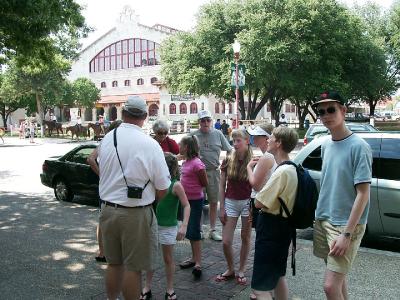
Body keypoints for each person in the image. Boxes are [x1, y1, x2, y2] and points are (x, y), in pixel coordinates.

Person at [97, 95, 171, 300]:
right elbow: (163, 187)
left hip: (107, 210)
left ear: (123, 113)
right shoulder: (150, 144)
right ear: (145, 116)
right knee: (133, 267)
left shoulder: (107, 139)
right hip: (135, 213)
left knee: (114, 263)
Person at [312, 91, 372, 300]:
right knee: (339, 281)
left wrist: (347, 234)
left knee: (330, 287)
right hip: (324, 219)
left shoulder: (359, 147)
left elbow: (363, 194)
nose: (326, 115)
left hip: (345, 226)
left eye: (331, 109)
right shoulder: (325, 144)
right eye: (321, 111)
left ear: (343, 111)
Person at [251, 126, 299, 300]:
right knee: (278, 276)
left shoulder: (282, 172)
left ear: (279, 143)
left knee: (260, 288)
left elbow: (258, 202)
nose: (268, 139)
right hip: (284, 228)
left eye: (271, 137)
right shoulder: (292, 167)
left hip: (271, 229)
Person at [140, 153, 191, 300]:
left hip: (168, 227)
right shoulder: (152, 183)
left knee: (168, 259)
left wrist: (184, 226)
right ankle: (147, 287)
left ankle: (169, 289)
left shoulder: (175, 185)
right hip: (152, 225)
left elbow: (187, 205)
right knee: (150, 257)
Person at [216, 129, 252, 285]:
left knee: (245, 237)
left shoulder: (254, 160)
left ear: (247, 140)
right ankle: (231, 269)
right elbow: (221, 183)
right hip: (230, 201)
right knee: (226, 241)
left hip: (248, 202)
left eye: (239, 140)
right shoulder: (228, 158)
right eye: (233, 141)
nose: (235, 144)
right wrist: (221, 206)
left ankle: (242, 269)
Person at [191, 110, 232, 241]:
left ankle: (213, 230)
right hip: (197, 174)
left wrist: (226, 163)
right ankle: (199, 229)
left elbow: (229, 149)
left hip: (214, 172)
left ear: (211, 121)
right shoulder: (193, 136)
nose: (206, 123)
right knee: (198, 202)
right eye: (203, 120)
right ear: (199, 122)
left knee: (214, 202)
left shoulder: (218, 134)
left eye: (208, 120)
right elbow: (184, 152)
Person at [87, 120, 122, 263]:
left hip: (105, 187)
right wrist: (102, 174)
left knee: (103, 218)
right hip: (112, 187)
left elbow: (90, 159)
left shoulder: (106, 143)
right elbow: (89, 159)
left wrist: (102, 175)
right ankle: (106, 250)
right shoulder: (112, 143)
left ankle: (102, 251)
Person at [178, 135, 208, 278]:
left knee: (194, 231)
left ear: (187, 147)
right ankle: (193, 258)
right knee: (190, 231)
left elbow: (204, 182)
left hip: (195, 202)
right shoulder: (186, 162)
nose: (179, 147)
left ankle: (198, 263)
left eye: (181, 145)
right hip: (186, 202)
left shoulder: (197, 163)